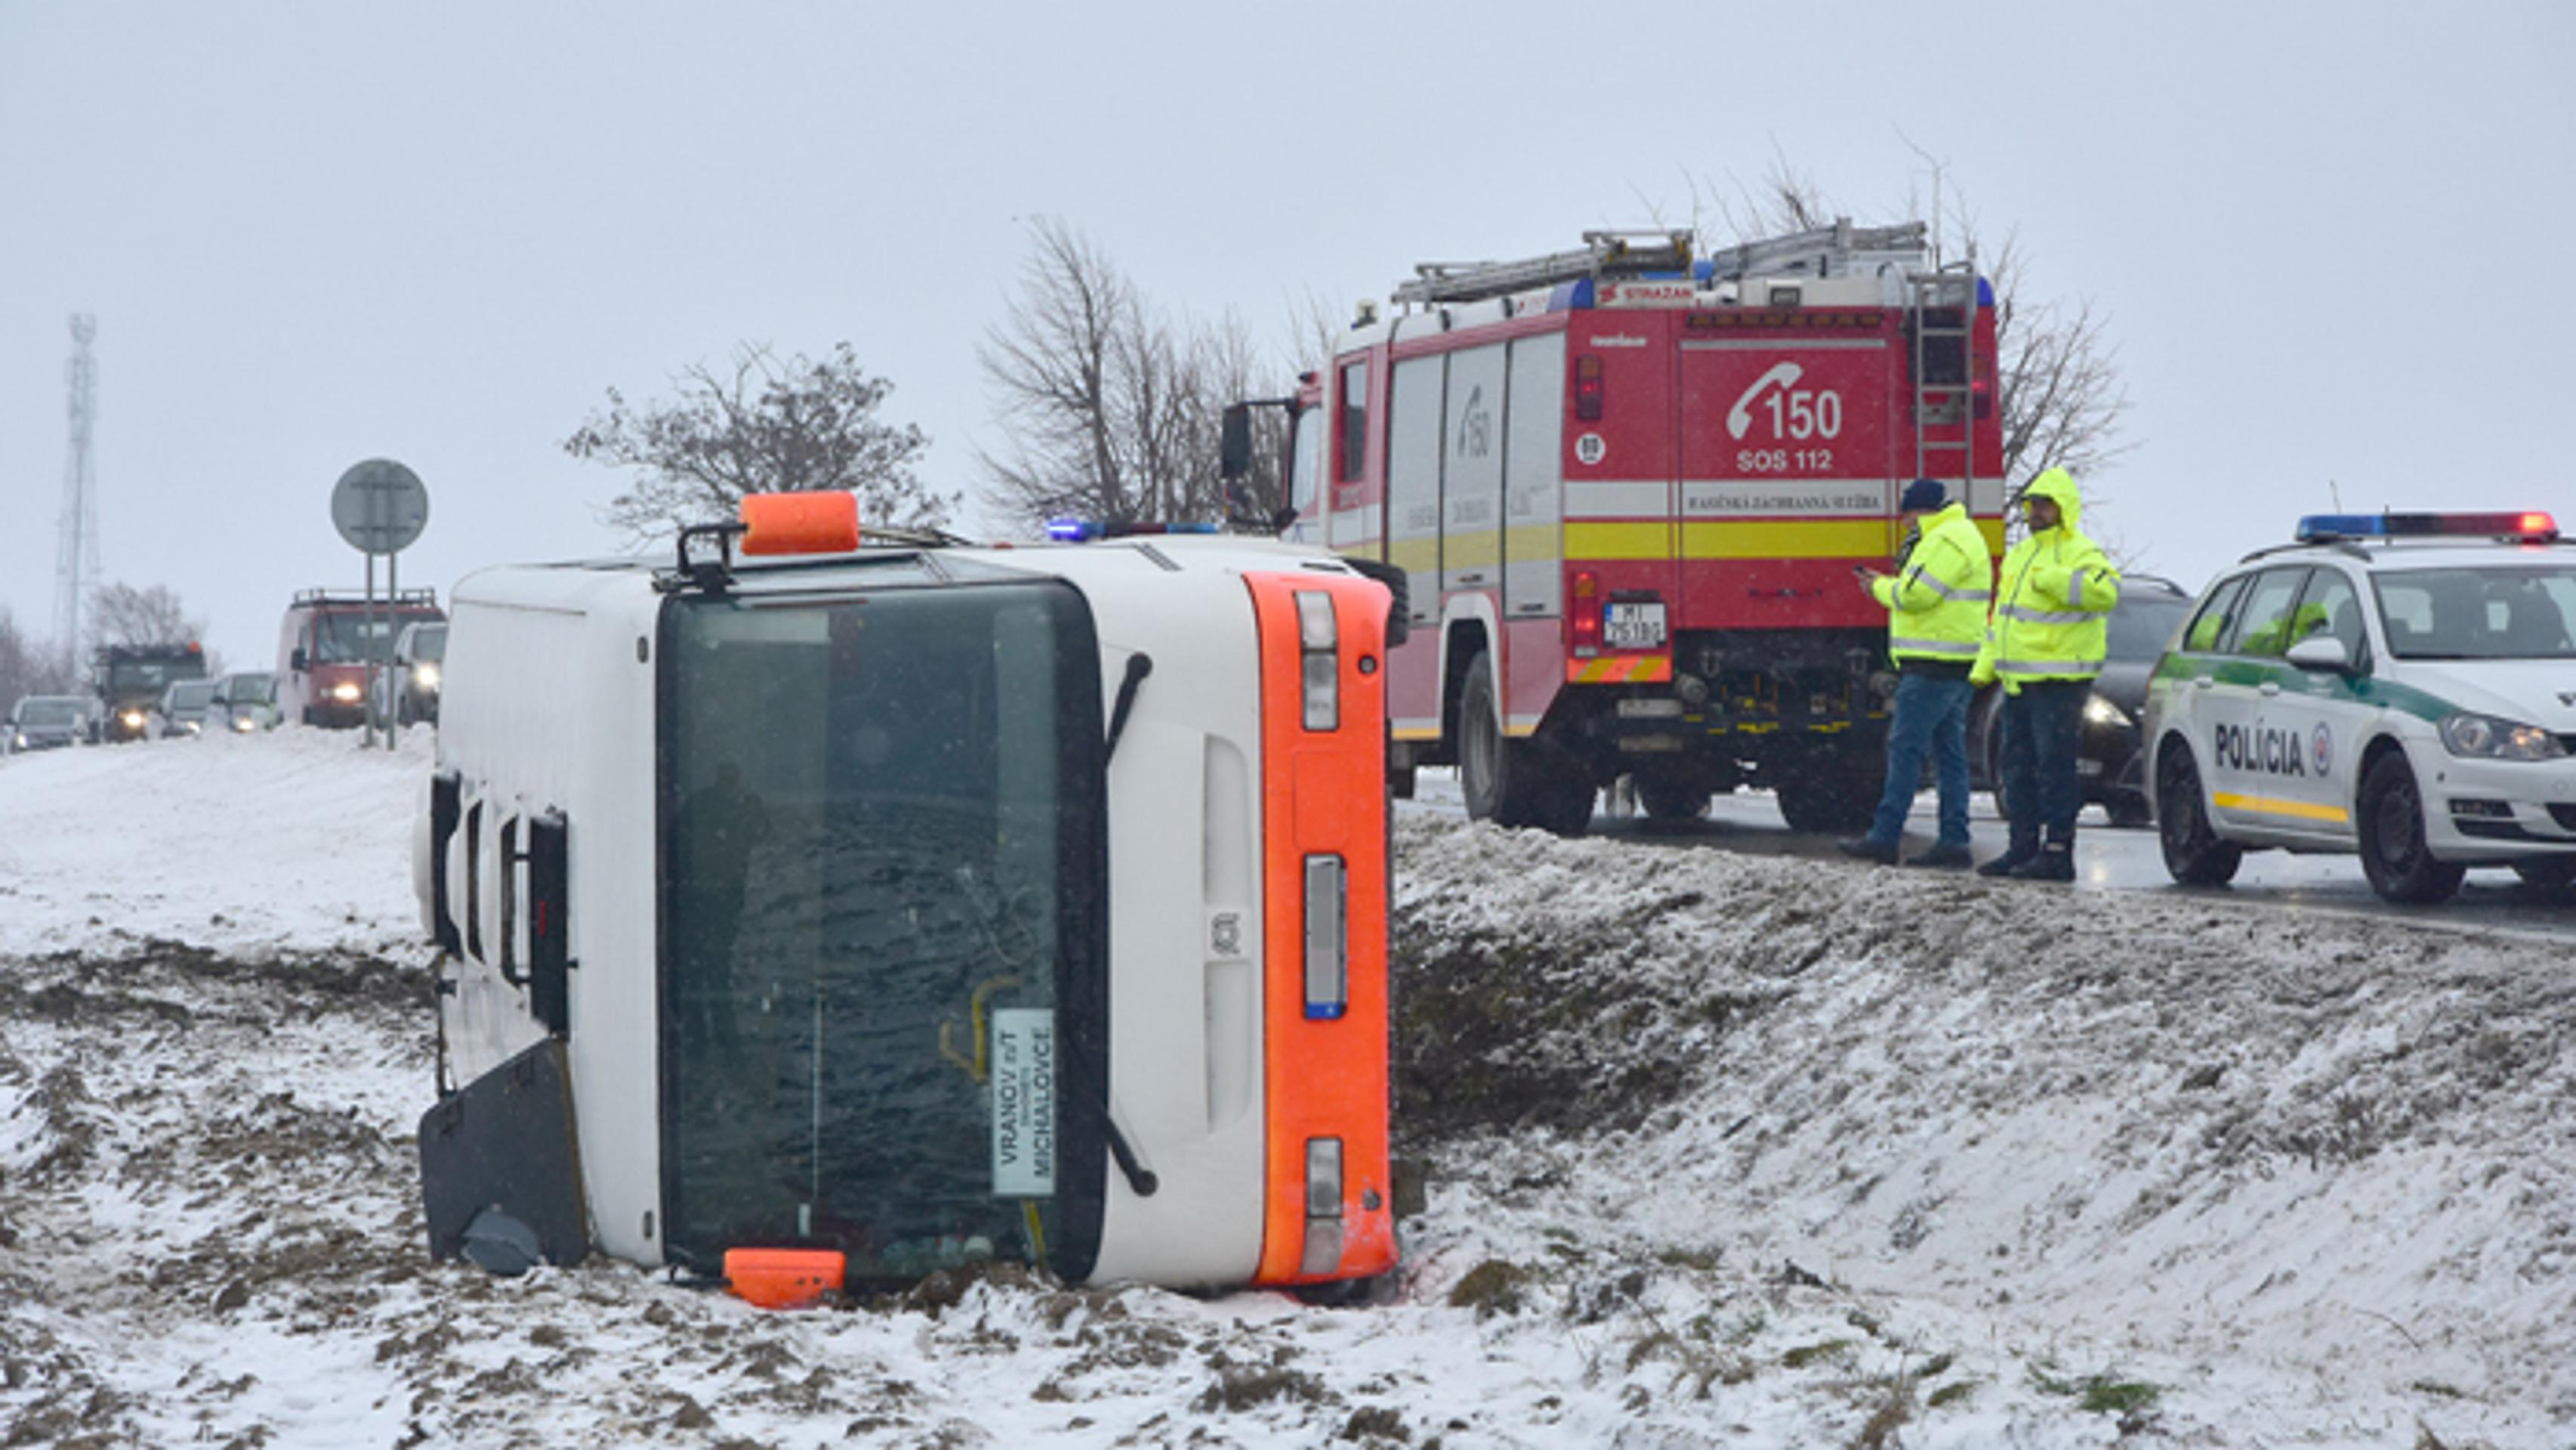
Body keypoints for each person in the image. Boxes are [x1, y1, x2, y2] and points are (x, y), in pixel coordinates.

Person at [1971, 467, 2121, 881]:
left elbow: (2106, 592)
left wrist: (2055, 581)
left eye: (2045, 504)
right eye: (2033, 504)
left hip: (2059, 684)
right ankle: (2022, 847)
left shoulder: (2080, 551)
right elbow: (2002, 619)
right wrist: (1984, 669)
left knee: (2054, 770)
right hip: (2018, 681)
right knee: (2016, 768)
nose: (2036, 511)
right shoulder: (2021, 555)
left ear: (2063, 508)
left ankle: (2057, 851)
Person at [1837, 477, 1994, 867]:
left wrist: (1879, 587)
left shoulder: (1945, 540)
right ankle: (1954, 840)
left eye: (1908, 515)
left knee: (1905, 749)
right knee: (1949, 753)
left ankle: (1885, 837)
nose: (1906, 523)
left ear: (1922, 509)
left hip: (1934, 665)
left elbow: (1916, 594)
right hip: (1952, 662)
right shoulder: (1960, 535)